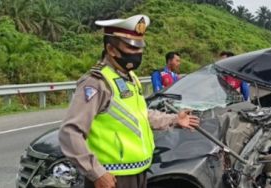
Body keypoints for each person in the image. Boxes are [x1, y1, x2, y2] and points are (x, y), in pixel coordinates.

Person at [58, 14, 200, 188]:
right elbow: (70, 132)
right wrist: (96, 172)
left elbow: (141, 115)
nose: (138, 54)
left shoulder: (130, 77)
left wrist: (174, 119)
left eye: (140, 48)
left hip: (138, 172)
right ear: (111, 49)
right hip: (112, 178)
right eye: (131, 48)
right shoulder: (97, 82)